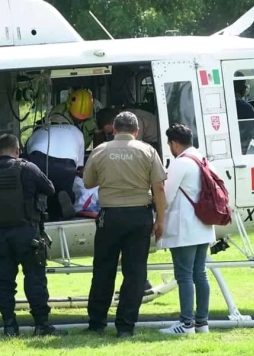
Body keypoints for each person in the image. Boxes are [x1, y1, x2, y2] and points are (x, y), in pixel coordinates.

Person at [82, 111, 167, 338]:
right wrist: (160, 219)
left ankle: (97, 323)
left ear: (114, 129)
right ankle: (126, 326)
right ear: (136, 131)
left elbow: (88, 181)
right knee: (135, 272)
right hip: (139, 216)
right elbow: (158, 188)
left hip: (109, 216)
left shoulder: (100, 151)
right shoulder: (148, 151)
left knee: (103, 269)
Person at [0, 133, 68, 337]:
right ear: (17, 151)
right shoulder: (27, 167)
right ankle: (41, 325)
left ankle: (10, 326)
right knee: (35, 278)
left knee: (4, 281)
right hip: (26, 233)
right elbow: (50, 189)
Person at [156, 124, 216, 335]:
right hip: (204, 225)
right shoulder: (202, 159)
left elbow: (166, 196)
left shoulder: (180, 163)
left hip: (185, 228)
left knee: (184, 275)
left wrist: (158, 218)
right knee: (200, 273)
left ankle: (186, 323)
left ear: (173, 143)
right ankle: (201, 322)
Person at [25, 114, 84, 220]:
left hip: (39, 161)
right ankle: (66, 198)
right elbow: (79, 168)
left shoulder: (38, 132)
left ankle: (40, 206)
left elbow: (28, 157)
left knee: (41, 188)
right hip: (66, 164)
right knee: (65, 188)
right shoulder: (76, 132)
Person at [94, 106, 159, 149]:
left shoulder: (131, 120)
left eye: (103, 129)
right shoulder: (123, 118)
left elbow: (133, 146)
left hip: (157, 142)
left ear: (108, 124)